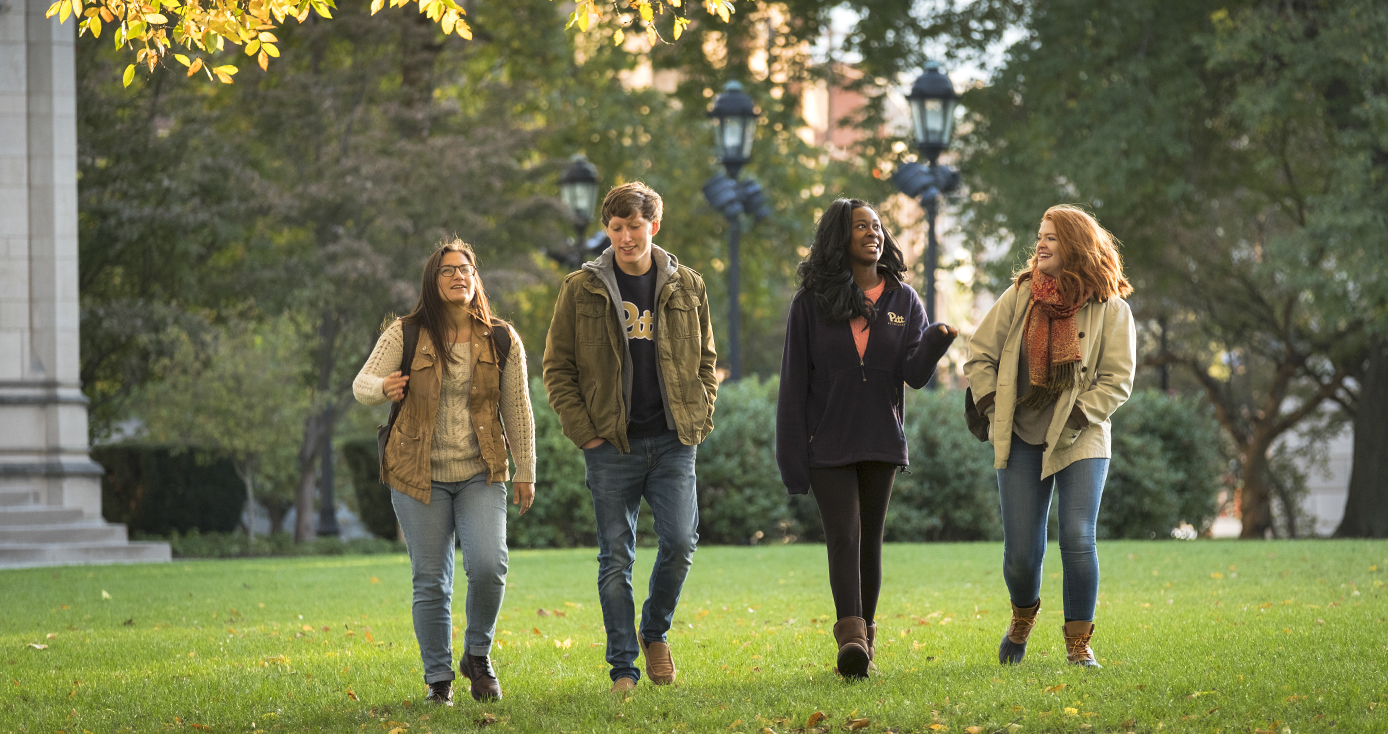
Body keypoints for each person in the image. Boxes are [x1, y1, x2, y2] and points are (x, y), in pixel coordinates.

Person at [542, 182, 718, 693]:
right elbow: (558, 368)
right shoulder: (582, 287)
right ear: (607, 229)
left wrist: (699, 415)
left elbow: (706, 360)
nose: (625, 237)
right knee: (615, 558)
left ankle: (654, 630)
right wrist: (586, 435)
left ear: (653, 226)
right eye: (616, 228)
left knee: (681, 543)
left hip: (672, 441)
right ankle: (623, 667)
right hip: (610, 447)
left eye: (634, 227)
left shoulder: (688, 285)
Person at [776, 198, 957, 680]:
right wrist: (792, 459)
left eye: (877, 226)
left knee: (870, 542)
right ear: (841, 237)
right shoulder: (810, 304)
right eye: (861, 226)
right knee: (844, 536)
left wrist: (937, 340)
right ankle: (851, 637)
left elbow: (914, 375)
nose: (873, 233)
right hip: (827, 442)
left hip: (881, 439)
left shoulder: (903, 300)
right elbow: (793, 385)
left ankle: (864, 641)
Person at [353, 240, 536, 704]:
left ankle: (477, 655)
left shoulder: (501, 337)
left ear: (476, 278)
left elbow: (518, 410)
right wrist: (385, 386)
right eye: (447, 270)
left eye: (466, 268)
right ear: (432, 283)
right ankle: (439, 681)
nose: (459, 276)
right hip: (418, 473)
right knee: (431, 579)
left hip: (480, 471)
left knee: (489, 566)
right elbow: (361, 385)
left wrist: (526, 470)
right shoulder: (406, 333)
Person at [963, 204, 1135, 668]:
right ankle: (1022, 617)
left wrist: (1078, 417)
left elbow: (1117, 380)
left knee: (1078, 537)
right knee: (1022, 553)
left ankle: (1079, 645)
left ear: (1076, 245)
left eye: (1052, 238)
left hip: (1081, 434)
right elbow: (979, 355)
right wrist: (992, 406)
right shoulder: (1021, 297)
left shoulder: (1111, 308)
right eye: (1039, 236)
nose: (1040, 244)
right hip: (1019, 433)